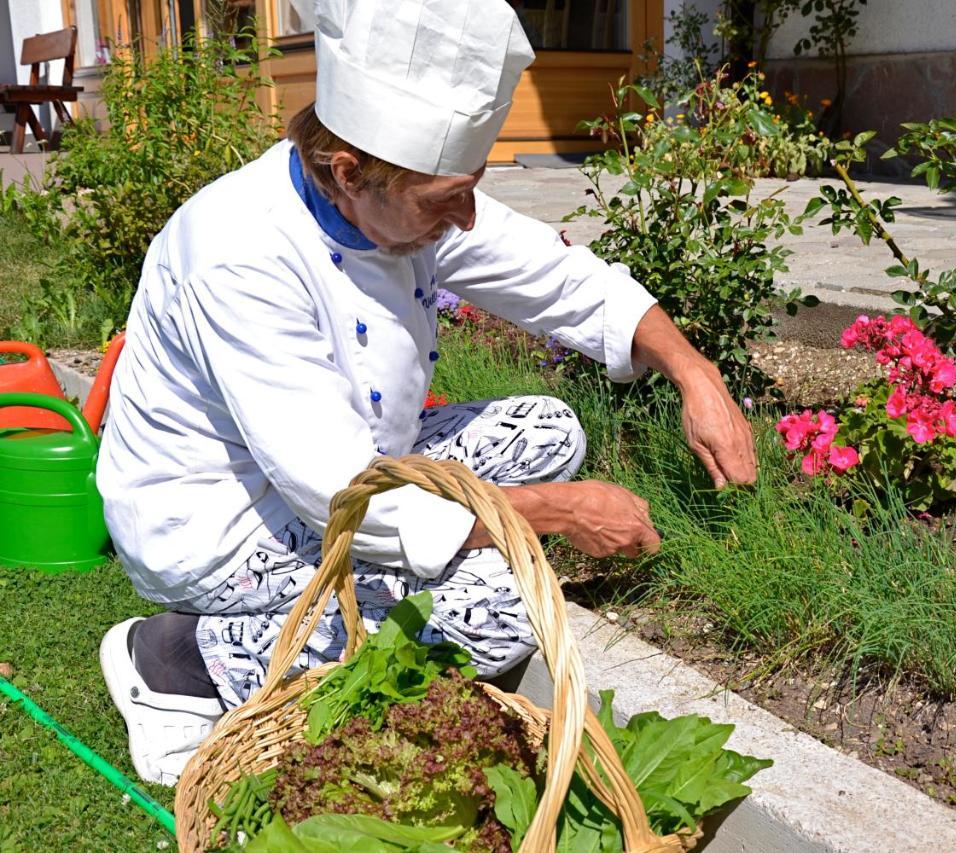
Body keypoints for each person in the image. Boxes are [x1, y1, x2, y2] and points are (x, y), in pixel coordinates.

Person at [96, 0, 756, 787]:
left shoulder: (400, 200)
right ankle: (178, 659)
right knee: (500, 611)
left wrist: (695, 372)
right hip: (219, 523)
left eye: (470, 187)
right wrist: (563, 513)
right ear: (349, 172)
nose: (468, 214)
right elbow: (345, 496)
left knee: (548, 431)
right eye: (450, 195)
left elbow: (558, 278)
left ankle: (407, 574)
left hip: (345, 470)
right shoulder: (240, 254)